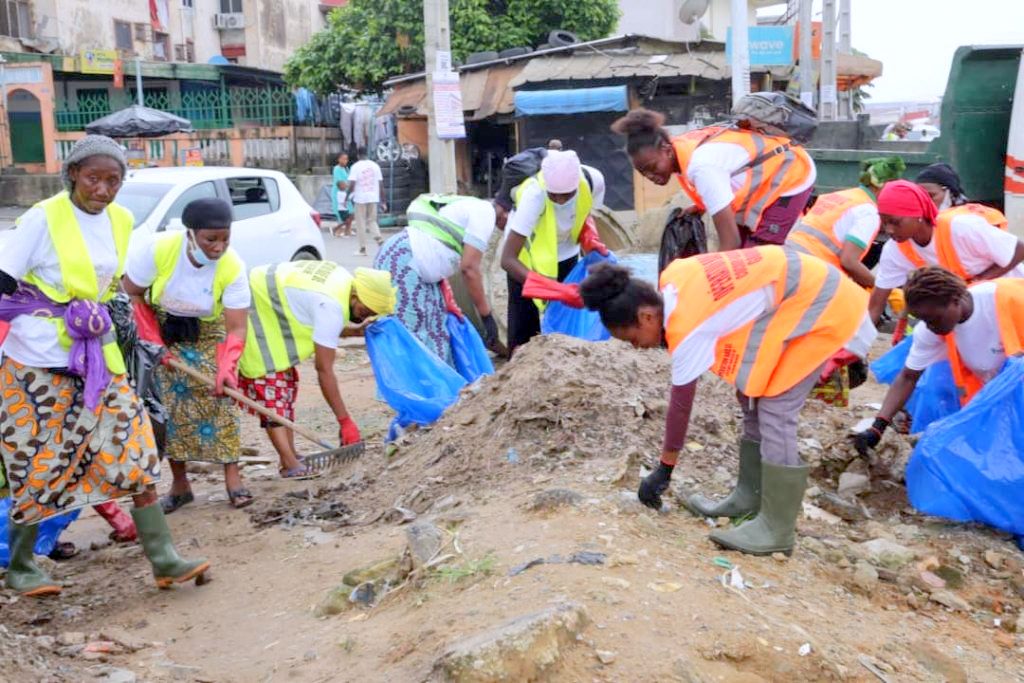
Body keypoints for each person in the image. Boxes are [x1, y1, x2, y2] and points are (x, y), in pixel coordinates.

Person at [0, 135, 207, 596]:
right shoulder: (43, 217)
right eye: (93, 177)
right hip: (37, 362)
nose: (104, 189)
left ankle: (165, 559)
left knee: (134, 449)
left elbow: (110, 283)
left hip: (98, 357)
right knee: (39, 462)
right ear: (73, 173)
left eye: (114, 180)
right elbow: (4, 277)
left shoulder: (122, 219)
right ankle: (21, 567)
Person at [578, 248, 875, 555]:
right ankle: (749, 495)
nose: (637, 348)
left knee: (776, 408)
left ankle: (776, 529)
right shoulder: (672, 280)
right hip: (794, 295)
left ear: (646, 316)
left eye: (632, 339)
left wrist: (664, 470)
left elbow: (680, 407)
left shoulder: (687, 325)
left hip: (827, 307)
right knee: (749, 390)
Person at [124, 198, 252, 512]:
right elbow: (131, 291)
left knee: (222, 401)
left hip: (210, 335)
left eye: (225, 238)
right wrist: (154, 341)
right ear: (190, 234)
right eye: (211, 239)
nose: (219, 247)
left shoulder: (233, 266)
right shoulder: (157, 250)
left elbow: (236, 327)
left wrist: (227, 366)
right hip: (162, 329)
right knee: (169, 409)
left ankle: (233, 479)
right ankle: (180, 485)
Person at [237, 262, 395, 477]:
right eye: (363, 311)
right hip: (256, 310)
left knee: (286, 387)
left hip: (268, 301)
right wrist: (344, 420)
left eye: (370, 314)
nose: (363, 317)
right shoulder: (330, 305)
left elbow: (318, 317)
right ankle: (289, 463)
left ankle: (291, 455)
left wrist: (352, 332)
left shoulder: (342, 281)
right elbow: (323, 370)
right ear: (355, 296)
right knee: (272, 392)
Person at [852, 266, 1024, 455]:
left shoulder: (1010, 299)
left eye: (934, 319)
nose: (930, 327)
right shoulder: (932, 329)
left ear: (955, 300)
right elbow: (908, 377)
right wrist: (877, 428)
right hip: (1004, 405)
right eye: (922, 320)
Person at [611, 108, 816, 251]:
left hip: (790, 174)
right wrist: (700, 205)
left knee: (761, 256)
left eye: (652, 168)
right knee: (744, 254)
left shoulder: (701, 167)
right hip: (766, 176)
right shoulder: (681, 148)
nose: (650, 177)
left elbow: (730, 240)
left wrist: (708, 273)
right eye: (643, 173)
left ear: (666, 150)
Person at [867, 180, 1024, 325]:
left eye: (895, 222)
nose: (888, 230)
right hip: (971, 310)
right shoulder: (894, 250)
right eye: (884, 222)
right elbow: (876, 305)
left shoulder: (961, 228)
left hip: (1012, 298)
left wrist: (977, 283)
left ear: (918, 214)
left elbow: (1019, 249)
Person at [376, 194, 507, 363]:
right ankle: (412, 390)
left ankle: (437, 388)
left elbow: (441, 251)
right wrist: (487, 317)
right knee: (412, 342)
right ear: (505, 212)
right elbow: (469, 269)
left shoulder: (474, 207)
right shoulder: (486, 212)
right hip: (404, 263)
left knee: (438, 335)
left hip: (416, 266)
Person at [499, 149, 608, 353]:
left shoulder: (594, 181)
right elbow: (507, 260)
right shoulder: (535, 194)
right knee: (524, 330)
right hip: (525, 257)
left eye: (567, 195)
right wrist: (558, 290)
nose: (560, 201)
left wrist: (589, 237)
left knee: (565, 325)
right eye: (554, 195)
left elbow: (586, 213)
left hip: (565, 251)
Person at [786, 156, 904, 288]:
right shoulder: (868, 211)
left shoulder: (840, 196)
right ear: (884, 186)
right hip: (809, 271)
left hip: (786, 257)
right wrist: (883, 290)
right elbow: (849, 261)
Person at [915, 162, 1009, 226]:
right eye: (919, 197)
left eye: (931, 196)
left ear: (950, 193)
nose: (924, 203)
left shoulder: (976, 220)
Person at [347, 149, 386, 257]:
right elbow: (381, 184)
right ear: (367, 154)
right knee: (372, 221)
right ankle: (379, 239)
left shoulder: (355, 167)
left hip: (360, 198)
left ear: (358, 155)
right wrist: (384, 201)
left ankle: (362, 249)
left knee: (361, 223)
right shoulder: (375, 166)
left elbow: (352, 184)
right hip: (373, 197)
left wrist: (346, 197)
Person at [331, 152, 354, 238]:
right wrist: (350, 185)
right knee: (341, 214)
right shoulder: (336, 169)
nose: (345, 161)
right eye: (343, 159)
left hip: (346, 193)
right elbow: (340, 183)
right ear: (339, 159)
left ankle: (348, 230)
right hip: (339, 193)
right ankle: (337, 230)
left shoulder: (347, 168)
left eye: (346, 159)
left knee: (351, 213)